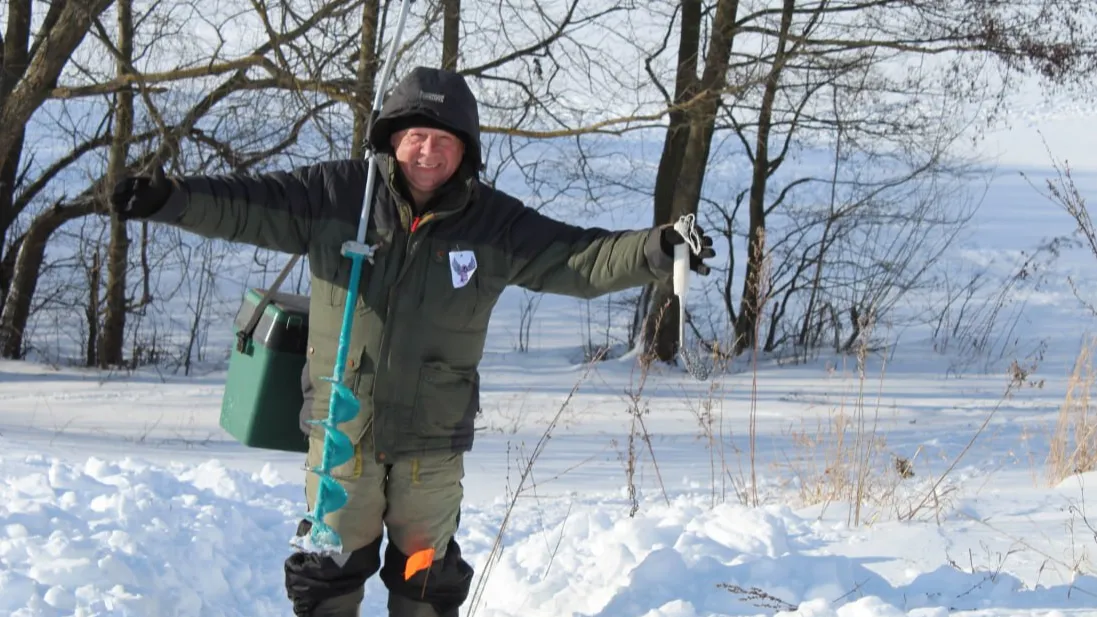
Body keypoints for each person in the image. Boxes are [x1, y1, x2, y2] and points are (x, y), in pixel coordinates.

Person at [108, 66, 714, 617]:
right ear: (391, 137)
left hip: (432, 439)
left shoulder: (493, 224)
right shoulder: (338, 196)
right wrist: (171, 200)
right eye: (416, 136)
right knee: (330, 570)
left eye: (444, 140)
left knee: (424, 578)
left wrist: (657, 249)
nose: (427, 152)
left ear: (465, 152)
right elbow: (246, 207)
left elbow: (581, 257)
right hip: (341, 428)